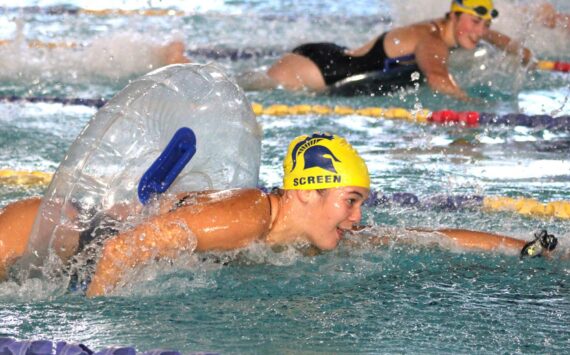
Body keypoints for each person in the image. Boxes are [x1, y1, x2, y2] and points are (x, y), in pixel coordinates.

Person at [0, 133, 559, 297]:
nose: (358, 219)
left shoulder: (304, 236)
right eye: (352, 201)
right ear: (307, 193)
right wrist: (94, 328)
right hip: (60, 234)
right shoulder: (244, 217)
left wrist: (519, 247)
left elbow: (424, 235)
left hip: (86, 249)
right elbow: (122, 250)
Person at [256, 0, 533, 100]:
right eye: (475, 22)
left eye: (486, 25)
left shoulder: (448, 29)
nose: (480, 31)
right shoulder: (432, 39)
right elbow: (437, 79)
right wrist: (474, 104)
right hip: (317, 70)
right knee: (251, 88)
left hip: (333, 60)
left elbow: (483, 33)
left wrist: (519, 52)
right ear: (454, 15)